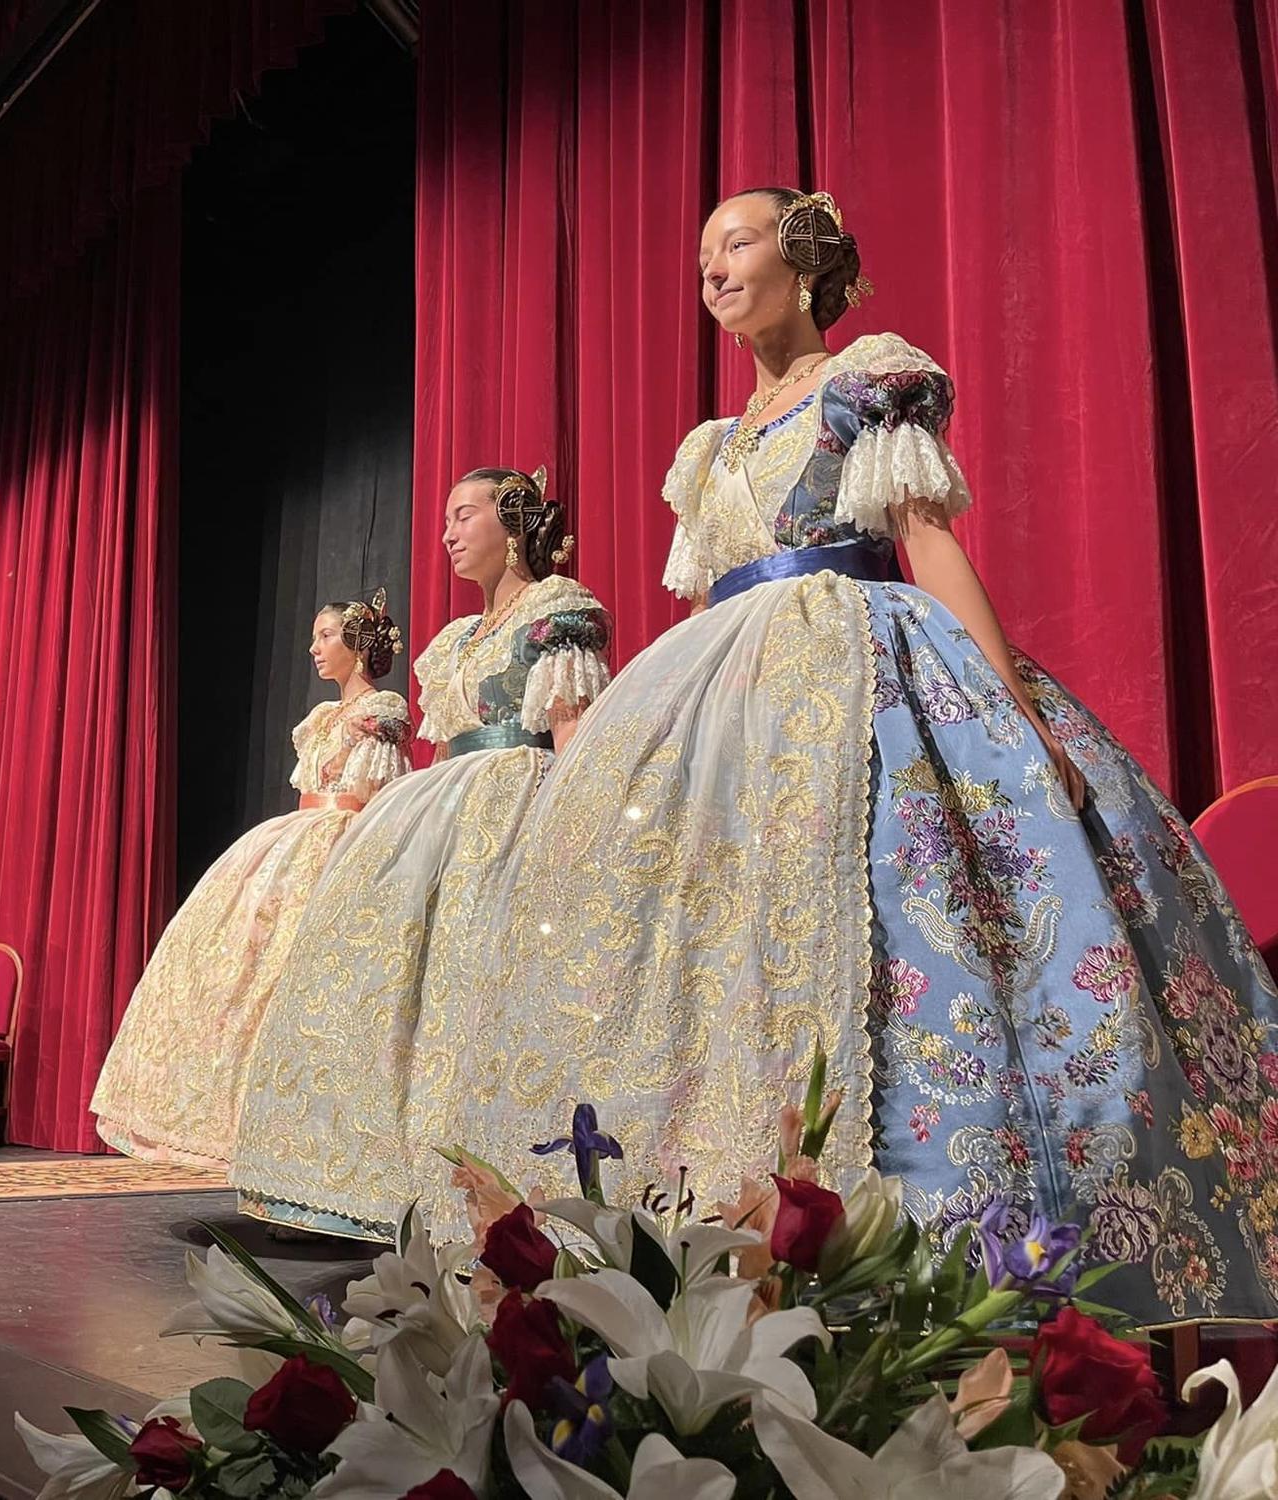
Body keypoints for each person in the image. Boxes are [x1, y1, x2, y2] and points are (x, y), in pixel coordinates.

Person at [465, 187, 1278, 1325]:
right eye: (699, 253)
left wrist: (1013, 714)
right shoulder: (706, 453)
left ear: (802, 265)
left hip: (868, 672)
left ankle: (936, 1242)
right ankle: (700, 1235)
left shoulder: (868, 383)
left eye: (734, 243)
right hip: (729, 706)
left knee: (905, 917)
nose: (711, 267)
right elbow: (700, 607)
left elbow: (925, 543)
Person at [229, 469, 612, 1240]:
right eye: (446, 519)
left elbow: (574, 731)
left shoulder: (559, 611)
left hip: (519, 799)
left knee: (483, 990)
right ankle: (372, 1179)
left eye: (465, 515)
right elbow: (441, 750)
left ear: (513, 523)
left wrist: (576, 834)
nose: (448, 532)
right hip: (446, 808)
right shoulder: (448, 645)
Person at [92, 592, 414, 1167]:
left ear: (358, 643)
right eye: (314, 636)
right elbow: (306, 792)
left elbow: (380, 801)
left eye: (326, 636)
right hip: (296, 841)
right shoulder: (321, 719)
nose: (314, 648)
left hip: (344, 842)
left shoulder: (380, 710)